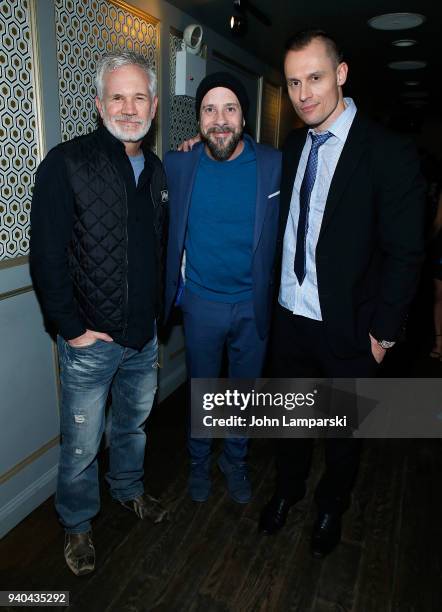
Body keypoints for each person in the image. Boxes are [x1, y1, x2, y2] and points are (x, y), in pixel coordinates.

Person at [258, 29, 426, 558]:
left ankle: (333, 504)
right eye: (293, 83)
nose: (304, 93)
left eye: (314, 77)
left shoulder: (388, 152)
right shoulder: (290, 148)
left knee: (341, 435)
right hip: (289, 320)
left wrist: (383, 335)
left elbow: (407, 253)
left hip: (351, 330)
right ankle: (287, 492)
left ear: (341, 73)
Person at [30, 50, 169, 576]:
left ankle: (129, 491)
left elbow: (155, 249)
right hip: (90, 342)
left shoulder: (155, 170)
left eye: (139, 97)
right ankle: (77, 524)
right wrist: (71, 329)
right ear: (98, 102)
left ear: (154, 104)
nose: (129, 107)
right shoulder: (66, 163)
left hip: (143, 338)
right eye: (118, 96)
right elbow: (45, 255)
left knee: (133, 428)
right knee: (82, 444)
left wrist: (157, 315)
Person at [164, 72, 281, 504]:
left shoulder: (273, 165)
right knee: (203, 390)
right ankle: (198, 461)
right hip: (201, 304)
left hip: (253, 306)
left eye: (229, 108)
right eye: (209, 109)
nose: (219, 119)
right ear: (198, 121)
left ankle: (236, 459)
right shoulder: (179, 164)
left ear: (244, 118)